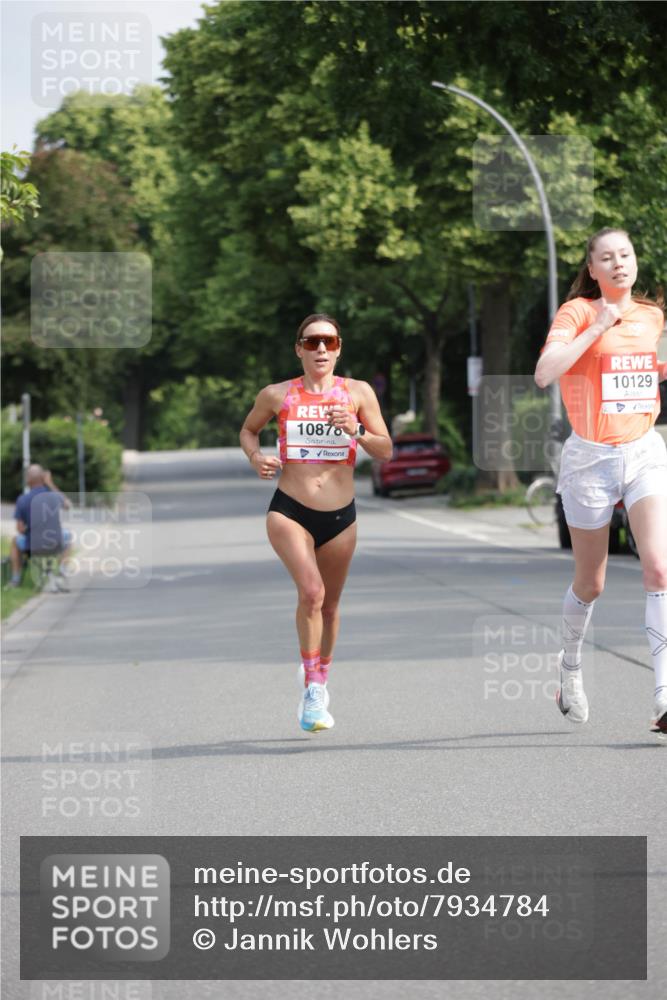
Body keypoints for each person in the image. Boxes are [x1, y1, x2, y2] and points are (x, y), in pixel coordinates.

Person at [535, 228, 667, 738]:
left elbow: (651, 370)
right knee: (592, 583)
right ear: (592, 269)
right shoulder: (577, 313)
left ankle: (663, 695)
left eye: (625, 255)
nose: (618, 263)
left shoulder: (652, 316)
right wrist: (597, 327)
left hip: (643, 451)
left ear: (635, 261)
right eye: (606, 258)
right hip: (590, 458)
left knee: (659, 567)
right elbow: (545, 373)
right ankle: (569, 668)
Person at [240, 313, 392, 732]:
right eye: (311, 342)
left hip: (341, 518)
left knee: (330, 606)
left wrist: (357, 431)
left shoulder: (357, 393)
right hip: (290, 510)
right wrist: (255, 458)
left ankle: (320, 678)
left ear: (339, 349)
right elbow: (248, 431)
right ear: (299, 350)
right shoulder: (277, 395)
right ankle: (311, 692)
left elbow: (385, 450)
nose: (321, 349)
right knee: (312, 592)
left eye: (329, 341)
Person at [7, 464, 73, 589]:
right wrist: (50, 483)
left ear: (28, 480)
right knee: (67, 535)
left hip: (32, 547)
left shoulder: (22, 499)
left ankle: (15, 579)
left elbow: (19, 529)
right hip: (55, 545)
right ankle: (62, 572)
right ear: (43, 478)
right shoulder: (54, 496)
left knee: (15, 541)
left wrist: (29, 529)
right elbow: (68, 505)